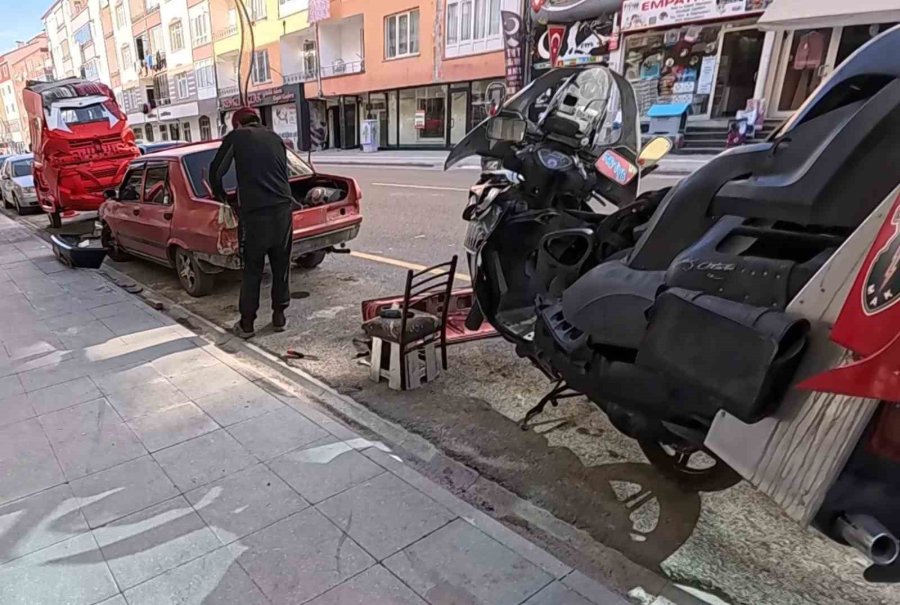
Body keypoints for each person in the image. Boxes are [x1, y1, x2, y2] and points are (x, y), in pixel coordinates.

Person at [209, 106, 294, 339]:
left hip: (256, 216)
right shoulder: (275, 138)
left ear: (237, 124)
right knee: (281, 265)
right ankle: (279, 316)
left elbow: (216, 171)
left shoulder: (236, 137)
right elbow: (282, 173)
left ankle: (247, 324)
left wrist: (221, 197)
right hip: (283, 211)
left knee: (253, 269)